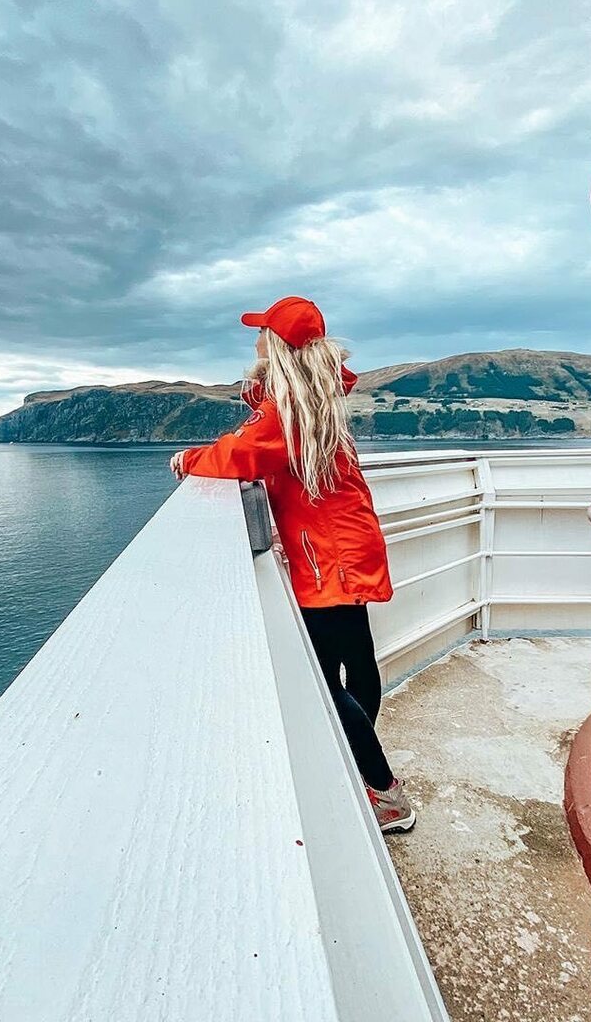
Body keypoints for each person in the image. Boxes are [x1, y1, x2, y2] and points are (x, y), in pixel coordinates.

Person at [169, 296, 414, 834]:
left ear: (277, 346)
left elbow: (237, 454)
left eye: (261, 333)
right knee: (359, 661)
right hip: (349, 544)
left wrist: (186, 459)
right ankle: (359, 765)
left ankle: (385, 793)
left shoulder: (287, 415)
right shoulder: (310, 399)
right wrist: (264, 379)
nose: (253, 340)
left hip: (326, 556)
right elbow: (266, 415)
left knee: (326, 681)